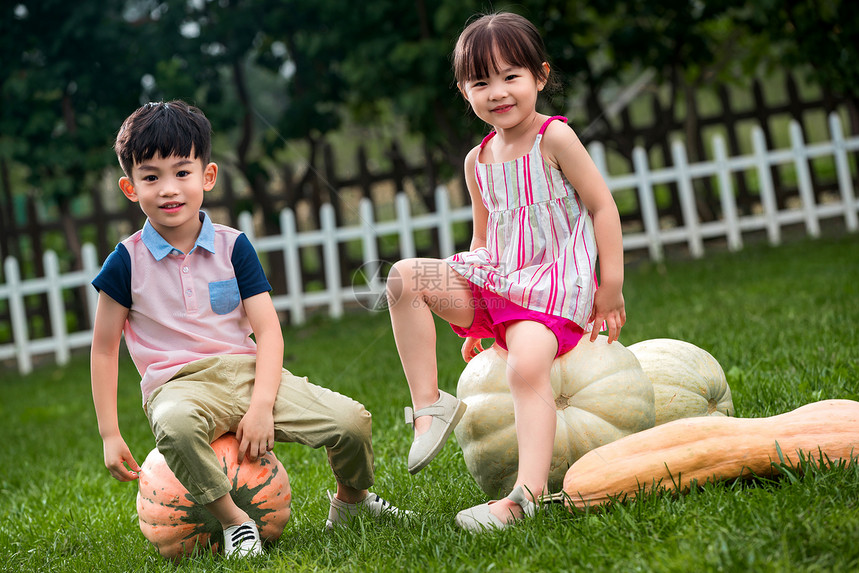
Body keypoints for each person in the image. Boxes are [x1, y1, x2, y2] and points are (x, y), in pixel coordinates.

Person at [90, 100, 407, 558]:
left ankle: (352, 501)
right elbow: (103, 350)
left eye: (183, 172)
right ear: (129, 187)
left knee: (351, 422)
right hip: (179, 386)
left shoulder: (233, 247)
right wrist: (109, 433)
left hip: (247, 373)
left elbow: (268, 332)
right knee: (175, 428)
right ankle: (235, 521)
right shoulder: (125, 262)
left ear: (208, 176)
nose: (169, 189)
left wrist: (261, 407)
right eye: (151, 176)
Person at [386, 12, 626, 532]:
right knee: (405, 277)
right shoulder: (477, 160)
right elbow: (483, 238)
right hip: (502, 276)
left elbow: (603, 208)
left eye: (511, 76)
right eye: (481, 81)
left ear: (540, 76)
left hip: (551, 288)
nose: (497, 91)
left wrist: (610, 289)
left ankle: (527, 495)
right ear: (463, 91)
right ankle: (429, 406)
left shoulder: (555, 140)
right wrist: (475, 311)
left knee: (525, 366)